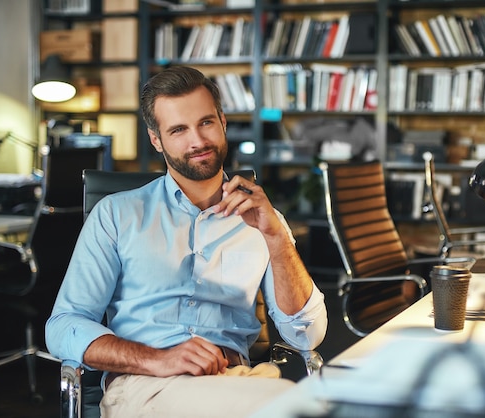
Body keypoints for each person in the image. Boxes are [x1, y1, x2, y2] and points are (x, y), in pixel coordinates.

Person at [45, 66, 328, 417]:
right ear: (156, 140)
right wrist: (159, 359)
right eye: (178, 130)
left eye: (206, 123)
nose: (197, 141)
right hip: (144, 385)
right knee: (292, 407)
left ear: (223, 122)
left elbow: (307, 337)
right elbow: (63, 327)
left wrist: (276, 238)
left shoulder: (264, 221)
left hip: (237, 379)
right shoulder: (116, 215)